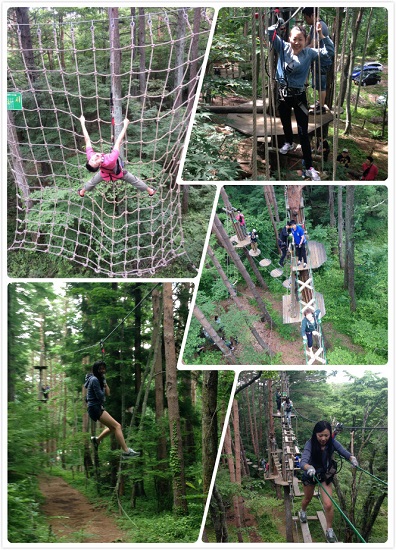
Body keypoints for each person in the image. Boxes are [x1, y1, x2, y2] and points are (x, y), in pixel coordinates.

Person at [267, 21, 334, 181]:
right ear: (289, 38)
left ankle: (309, 167)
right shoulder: (283, 47)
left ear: (305, 41)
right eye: (294, 39)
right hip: (283, 95)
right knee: (285, 122)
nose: (296, 43)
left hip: (299, 96)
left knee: (303, 132)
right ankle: (289, 141)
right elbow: (270, 34)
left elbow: (329, 52)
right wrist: (277, 24)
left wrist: (322, 36)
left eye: (300, 40)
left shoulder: (309, 53)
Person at [299, 420, 358, 543]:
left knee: (329, 504)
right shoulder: (310, 444)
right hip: (310, 474)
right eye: (320, 435)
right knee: (307, 499)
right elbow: (303, 461)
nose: (323, 438)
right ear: (315, 434)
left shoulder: (331, 442)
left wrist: (351, 458)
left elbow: (342, 450)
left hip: (324, 475)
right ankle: (303, 511)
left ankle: (329, 529)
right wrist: (308, 467)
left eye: (326, 435)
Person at [78, 114, 156, 197]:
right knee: (134, 180)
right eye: (95, 161)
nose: (94, 158)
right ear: (100, 164)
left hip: (104, 175)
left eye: (91, 160)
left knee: (92, 182)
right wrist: (125, 125)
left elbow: (87, 140)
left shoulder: (91, 155)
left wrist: (82, 123)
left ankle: (82, 192)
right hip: (119, 173)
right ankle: (150, 191)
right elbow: (118, 141)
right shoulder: (111, 159)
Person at [84, 360, 139, 458]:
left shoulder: (99, 379)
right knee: (117, 426)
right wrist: (103, 386)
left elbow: (108, 393)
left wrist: (105, 383)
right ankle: (126, 451)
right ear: (96, 370)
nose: (102, 370)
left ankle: (96, 440)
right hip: (95, 408)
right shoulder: (94, 380)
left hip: (95, 407)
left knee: (112, 428)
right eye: (100, 369)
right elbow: (101, 396)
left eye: (103, 368)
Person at [302, 8, 333, 114]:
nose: (305, 20)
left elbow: (314, 43)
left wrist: (302, 53)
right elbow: (309, 39)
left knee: (321, 84)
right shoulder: (314, 25)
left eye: (306, 17)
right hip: (318, 58)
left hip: (322, 59)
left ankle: (321, 107)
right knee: (318, 82)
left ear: (311, 15)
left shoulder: (320, 25)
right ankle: (320, 103)